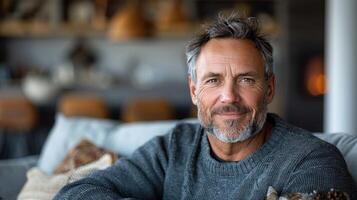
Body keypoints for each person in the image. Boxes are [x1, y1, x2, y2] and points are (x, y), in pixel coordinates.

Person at [55, 13, 356, 199]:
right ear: (194, 91)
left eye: (246, 80)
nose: (229, 96)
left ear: (270, 89)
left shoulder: (313, 161)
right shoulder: (173, 149)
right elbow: (74, 194)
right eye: (213, 81)